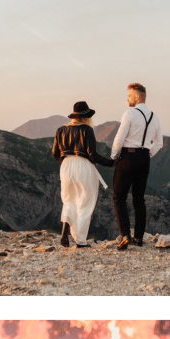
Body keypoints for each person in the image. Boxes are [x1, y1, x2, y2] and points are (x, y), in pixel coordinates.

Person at [52, 101, 115, 248]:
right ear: (86, 116)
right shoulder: (87, 129)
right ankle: (80, 241)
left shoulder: (60, 129)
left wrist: (66, 161)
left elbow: (55, 153)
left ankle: (64, 231)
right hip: (84, 167)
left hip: (66, 165)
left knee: (68, 200)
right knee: (85, 202)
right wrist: (110, 163)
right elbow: (92, 154)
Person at [110, 83, 163, 250]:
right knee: (139, 199)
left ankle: (126, 235)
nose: (127, 98)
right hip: (144, 158)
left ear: (138, 96)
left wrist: (113, 157)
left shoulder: (130, 113)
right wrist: (147, 154)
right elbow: (159, 143)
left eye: (130, 95)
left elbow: (119, 139)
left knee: (119, 197)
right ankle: (139, 238)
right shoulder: (155, 117)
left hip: (127, 157)